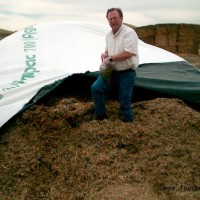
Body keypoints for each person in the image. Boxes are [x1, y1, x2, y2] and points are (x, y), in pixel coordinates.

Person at [91, 8, 139, 122]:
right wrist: (105, 55)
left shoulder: (129, 33)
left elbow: (129, 53)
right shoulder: (108, 35)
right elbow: (108, 51)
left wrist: (111, 58)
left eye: (115, 18)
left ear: (121, 18)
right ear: (108, 20)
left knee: (124, 101)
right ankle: (101, 116)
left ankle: (128, 124)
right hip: (111, 71)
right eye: (110, 19)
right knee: (96, 88)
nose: (113, 21)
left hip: (126, 73)